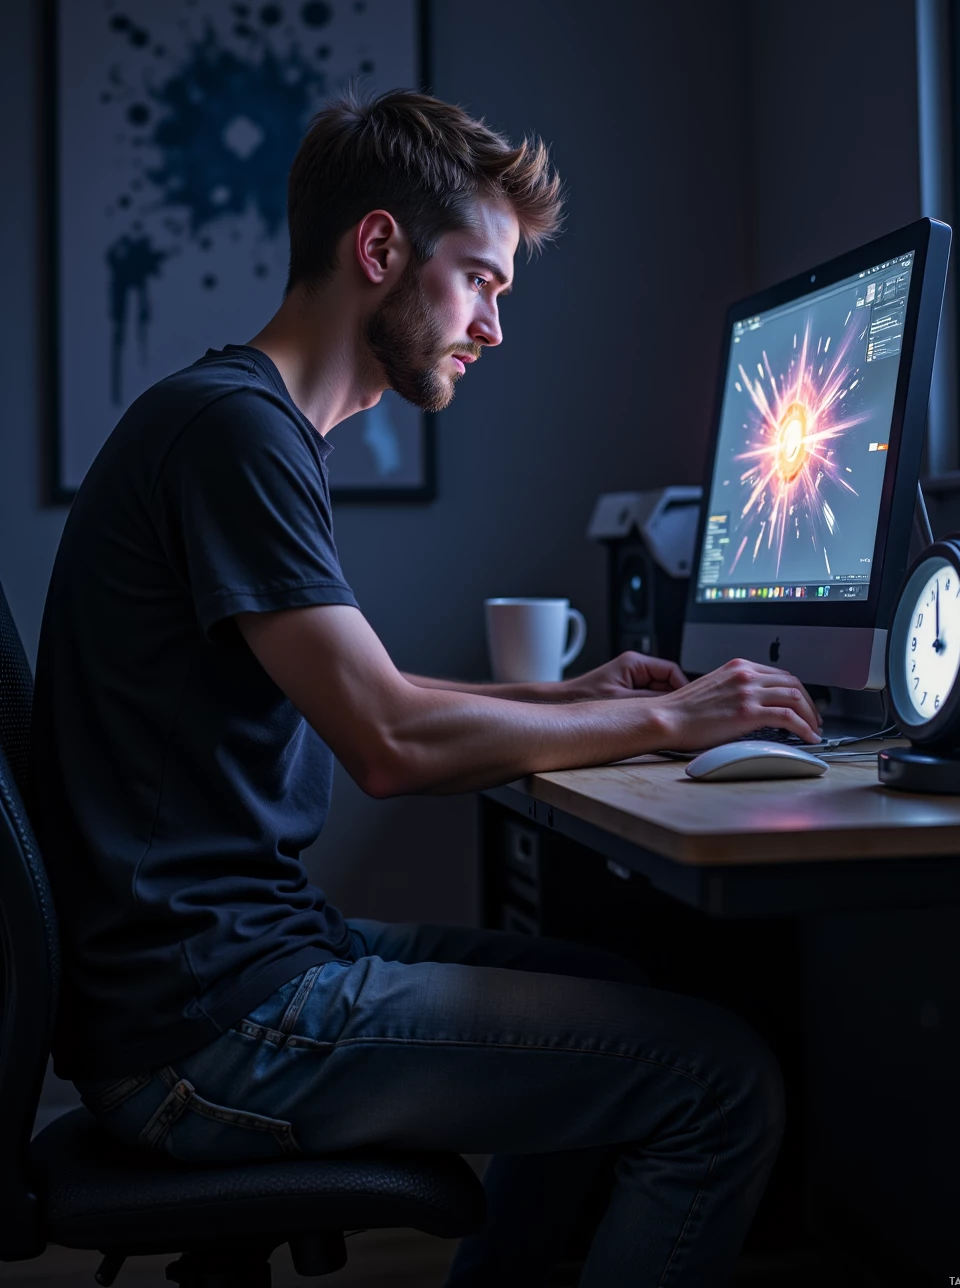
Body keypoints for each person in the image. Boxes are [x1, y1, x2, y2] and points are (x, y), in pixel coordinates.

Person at [31, 89, 821, 1287]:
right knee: (719, 1080)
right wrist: (673, 718)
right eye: (482, 281)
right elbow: (388, 744)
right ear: (382, 248)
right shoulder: (233, 434)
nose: (493, 327)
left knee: (617, 992)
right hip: (211, 1028)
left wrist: (579, 694)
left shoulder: (250, 424)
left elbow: (376, 688)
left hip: (225, 970)